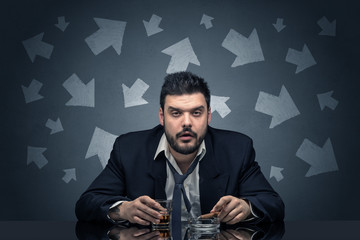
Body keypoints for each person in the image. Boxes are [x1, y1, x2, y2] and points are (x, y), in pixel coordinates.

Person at [75, 71, 284, 226]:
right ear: (161, 116)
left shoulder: (238, 148)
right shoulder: (128, 149)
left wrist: (247, 207)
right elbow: (86, 204)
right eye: (175, 113)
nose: (186, 123)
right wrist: (123, 210)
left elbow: (273, 204)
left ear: (209, 116)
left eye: (196, 113)